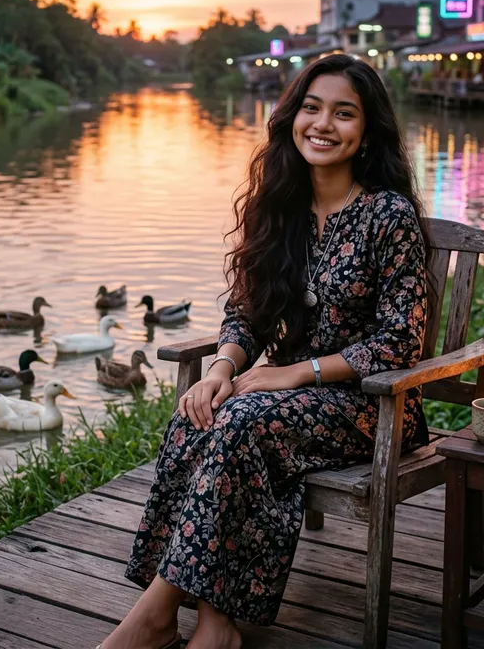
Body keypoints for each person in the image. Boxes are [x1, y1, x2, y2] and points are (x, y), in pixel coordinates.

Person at [98, 55, 429, 649]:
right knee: (199, 412)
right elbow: (248, 312)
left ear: (366, 131)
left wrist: (291, 375)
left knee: (244, 421)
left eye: (344, 113)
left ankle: (155, 617)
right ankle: (214, 621)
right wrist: (223, 367)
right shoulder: (281, 206)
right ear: (292, 118)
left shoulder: (388, 215)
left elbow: (401, 339)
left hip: (373, 408)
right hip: (291, 407)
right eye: (312, 107)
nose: (323, 124)